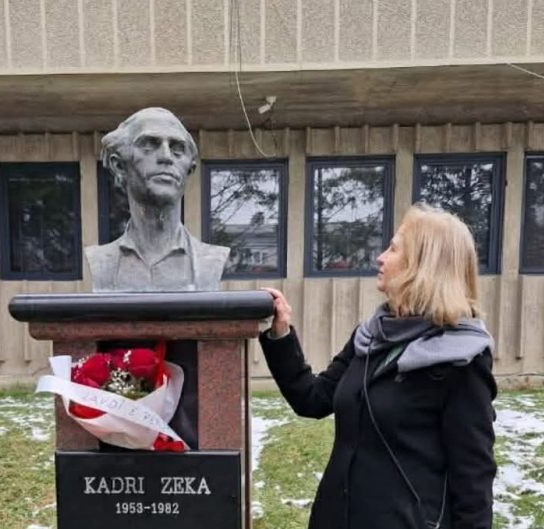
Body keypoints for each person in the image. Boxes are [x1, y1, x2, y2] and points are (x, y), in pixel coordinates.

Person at [260, 204, 497, 529]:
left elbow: (473, 477)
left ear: (422, 264)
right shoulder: (372, 336)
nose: (380, 258)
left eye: (394, 249)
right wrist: (281, 333)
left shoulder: (461, 359)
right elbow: (312, 399)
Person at [85, 107, 229, 292]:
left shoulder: (211, 261)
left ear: (189, 170)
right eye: (149, 145)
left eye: (177, 149)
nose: (166, 157)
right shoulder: (101, 262)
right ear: (119, 166)